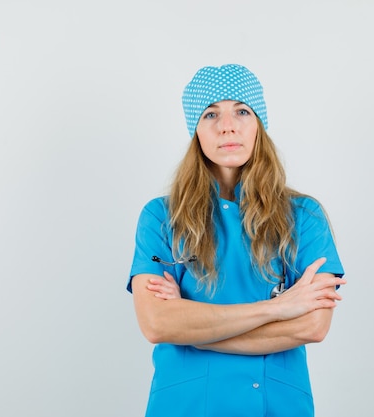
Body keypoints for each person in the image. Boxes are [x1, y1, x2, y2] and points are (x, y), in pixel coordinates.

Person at [127, 64, 346, 417]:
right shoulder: (161, 217)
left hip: (275, 404)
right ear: (195, 130)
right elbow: (157, 324)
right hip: (186, 405)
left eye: (242, 111)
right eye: (210, 113)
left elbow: (313, 325)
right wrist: (277, 309)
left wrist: (194, 330)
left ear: (259, 124)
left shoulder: (304, 216)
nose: (227, 125)